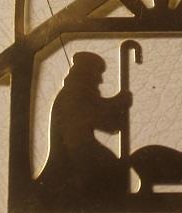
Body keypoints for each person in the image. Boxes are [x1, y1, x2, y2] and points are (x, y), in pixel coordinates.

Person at [37, 52, 132, 201]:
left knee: (112, 168)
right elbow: (102, 119)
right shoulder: (73, 95)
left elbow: (105, 117)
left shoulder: (79, 93)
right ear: (87, 73)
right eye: (97, 74)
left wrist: (118, 103)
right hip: (73, 155)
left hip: (81, 150)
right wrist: (119, 102)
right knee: (111, 169)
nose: (100, 80)